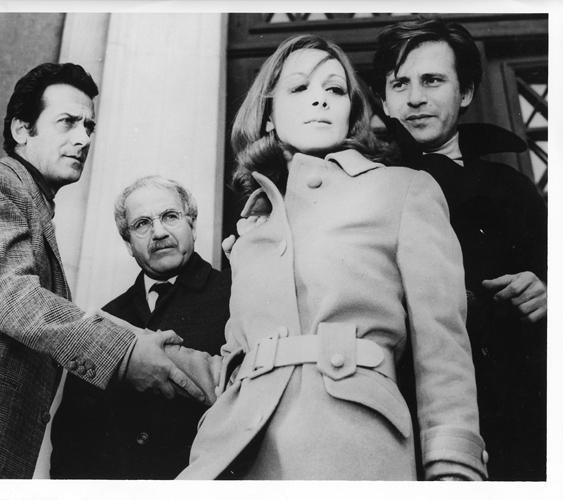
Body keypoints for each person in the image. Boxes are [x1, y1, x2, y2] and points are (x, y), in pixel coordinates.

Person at [176, 34, 487, 481]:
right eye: (300, 87)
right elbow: (231, 366)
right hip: (236, 458)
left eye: (335, 89)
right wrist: (123, 349)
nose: (320, 99)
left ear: (350, 113)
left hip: (354, 452)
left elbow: (443, 351)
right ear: (268, 115)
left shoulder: (403, 190)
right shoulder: (252, 229)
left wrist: (453, 467)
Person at [0, 63, 205, 479]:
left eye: (89, 126)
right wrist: (122, 353)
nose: (84, 139)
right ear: (22, 130)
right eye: (68, 122)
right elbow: (9, 296)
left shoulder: (32, 203)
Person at [372, 16, 547, 481]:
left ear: (465, 92)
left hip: (513, 415)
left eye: (432, 80)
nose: (414, 98)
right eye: (399, 84)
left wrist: (548, 293)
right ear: (383, 99)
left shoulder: (512, 188)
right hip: (400, 413)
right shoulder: (361, 187)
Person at [50, 175, 231, 479]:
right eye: (142, 224)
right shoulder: (105, 318)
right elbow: (70, 437)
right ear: (128, 244)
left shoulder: (234, 294)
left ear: (193, 226)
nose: (158, 232)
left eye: (170, 216)